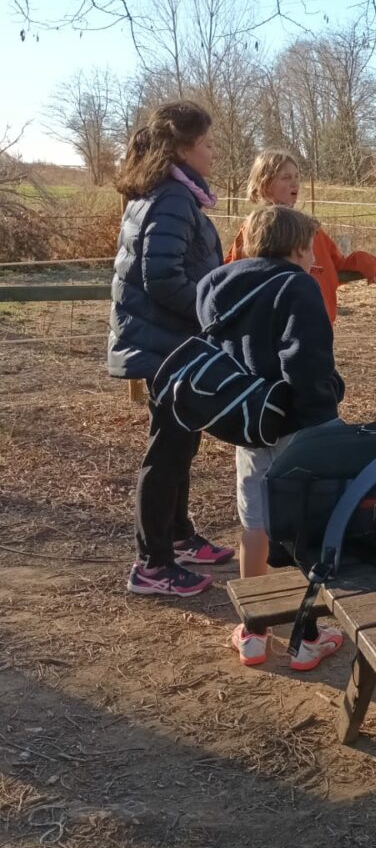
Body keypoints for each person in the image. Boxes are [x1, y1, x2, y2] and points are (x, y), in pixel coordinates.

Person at [198, 204, 347, 670]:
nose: (314, 259)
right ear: (296, 248)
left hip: (247, 421)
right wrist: (328, 399)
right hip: (299, 425)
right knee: (304, 527)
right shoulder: (297, 286)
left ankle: (254, 629)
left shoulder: (214, 285)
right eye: (311, 249)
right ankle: (307, 636)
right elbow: (306, 362)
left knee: (255, 521)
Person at [110, 100, 235, 598]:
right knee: (168, 450)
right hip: (167, 344)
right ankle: (152, 564)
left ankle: (178, 536)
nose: (214, 151)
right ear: (183, 149)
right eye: (207, 143)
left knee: (181, 441)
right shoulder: (173, 199)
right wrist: (211, 312)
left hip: (168, 342)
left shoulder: (164, 193)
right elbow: (161, 278)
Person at [225, 150, 376, 322]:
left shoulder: (311, 229)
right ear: (265, 185)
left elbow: (334, 265)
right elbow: (234, 276)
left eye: (297, 176)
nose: (295, 183)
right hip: (276, 327)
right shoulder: (254, 230)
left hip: (318, 324)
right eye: (286, 178)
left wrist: (360, 261)